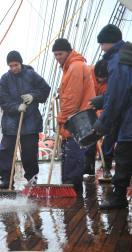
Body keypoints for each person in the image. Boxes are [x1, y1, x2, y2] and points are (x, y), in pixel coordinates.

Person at [93, 24, 132, 209]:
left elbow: (118, 95)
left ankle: (118, 197)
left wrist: (103, 123)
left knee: (124, 155)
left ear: (107, 42)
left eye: (102, 44)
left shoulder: (118, 60)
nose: (101, 48)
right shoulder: (129, 56)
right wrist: (102, 99)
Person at [0, 51, 50, 189]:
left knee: (29, 153)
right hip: (10, 123)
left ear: (21, 63)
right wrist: (16, 107)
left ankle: (32, 179)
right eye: (11, 65)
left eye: (16, 65)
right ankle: (6, 180)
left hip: (31, 122)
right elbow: (2, 100)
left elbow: (45, 90)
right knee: (6, 152)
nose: (14, 68)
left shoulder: (31, 75)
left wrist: (33, 96)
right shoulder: (4, 79)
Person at [52, 38, 95, 194]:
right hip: (79, 118)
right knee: (71, 156)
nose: (58, 57)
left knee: (73, 157)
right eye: (55, 55)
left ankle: (72, 191)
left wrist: (61, 118)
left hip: (76, 120)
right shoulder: (72, 66)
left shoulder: (75, 67)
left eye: (60, 54)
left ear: (68, 52)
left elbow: (72, 99)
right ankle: (71, 188)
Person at [85, 59, 115, 180]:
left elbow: (110, 101)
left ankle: (106, 167)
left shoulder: (111, 81)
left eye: (103, 78)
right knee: (90, 137)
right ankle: (88, 170)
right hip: (88, 107)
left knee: (108, 137)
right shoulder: (88, 72)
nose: (101, 80)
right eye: (99, 77)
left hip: (104, 109)